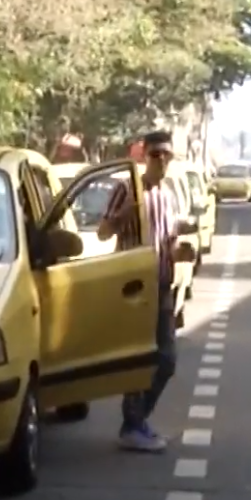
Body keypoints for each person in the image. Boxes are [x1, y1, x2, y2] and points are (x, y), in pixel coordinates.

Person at [97, 129, 195, 453]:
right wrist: (124, 213)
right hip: (135, 290)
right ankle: (133, 425)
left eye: (168, 155)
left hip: (162, 285)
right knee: (141, 359)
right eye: (157, 155)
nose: (163, 161)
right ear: (145, 156)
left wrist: (180, 252)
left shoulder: (167, 195)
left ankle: (136, 420)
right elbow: (103, 232)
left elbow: (168, 240)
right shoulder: (126, 189)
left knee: (166, 360)